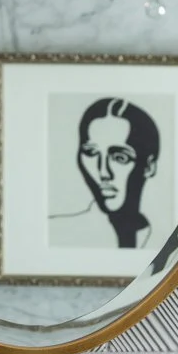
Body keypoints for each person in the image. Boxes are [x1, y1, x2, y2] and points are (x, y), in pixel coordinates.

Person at [49, 96, 160, 250]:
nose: (103, 172)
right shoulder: (55, 232)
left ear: (149, 167)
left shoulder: (167, 240)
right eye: (91, 153)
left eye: (120, 157)